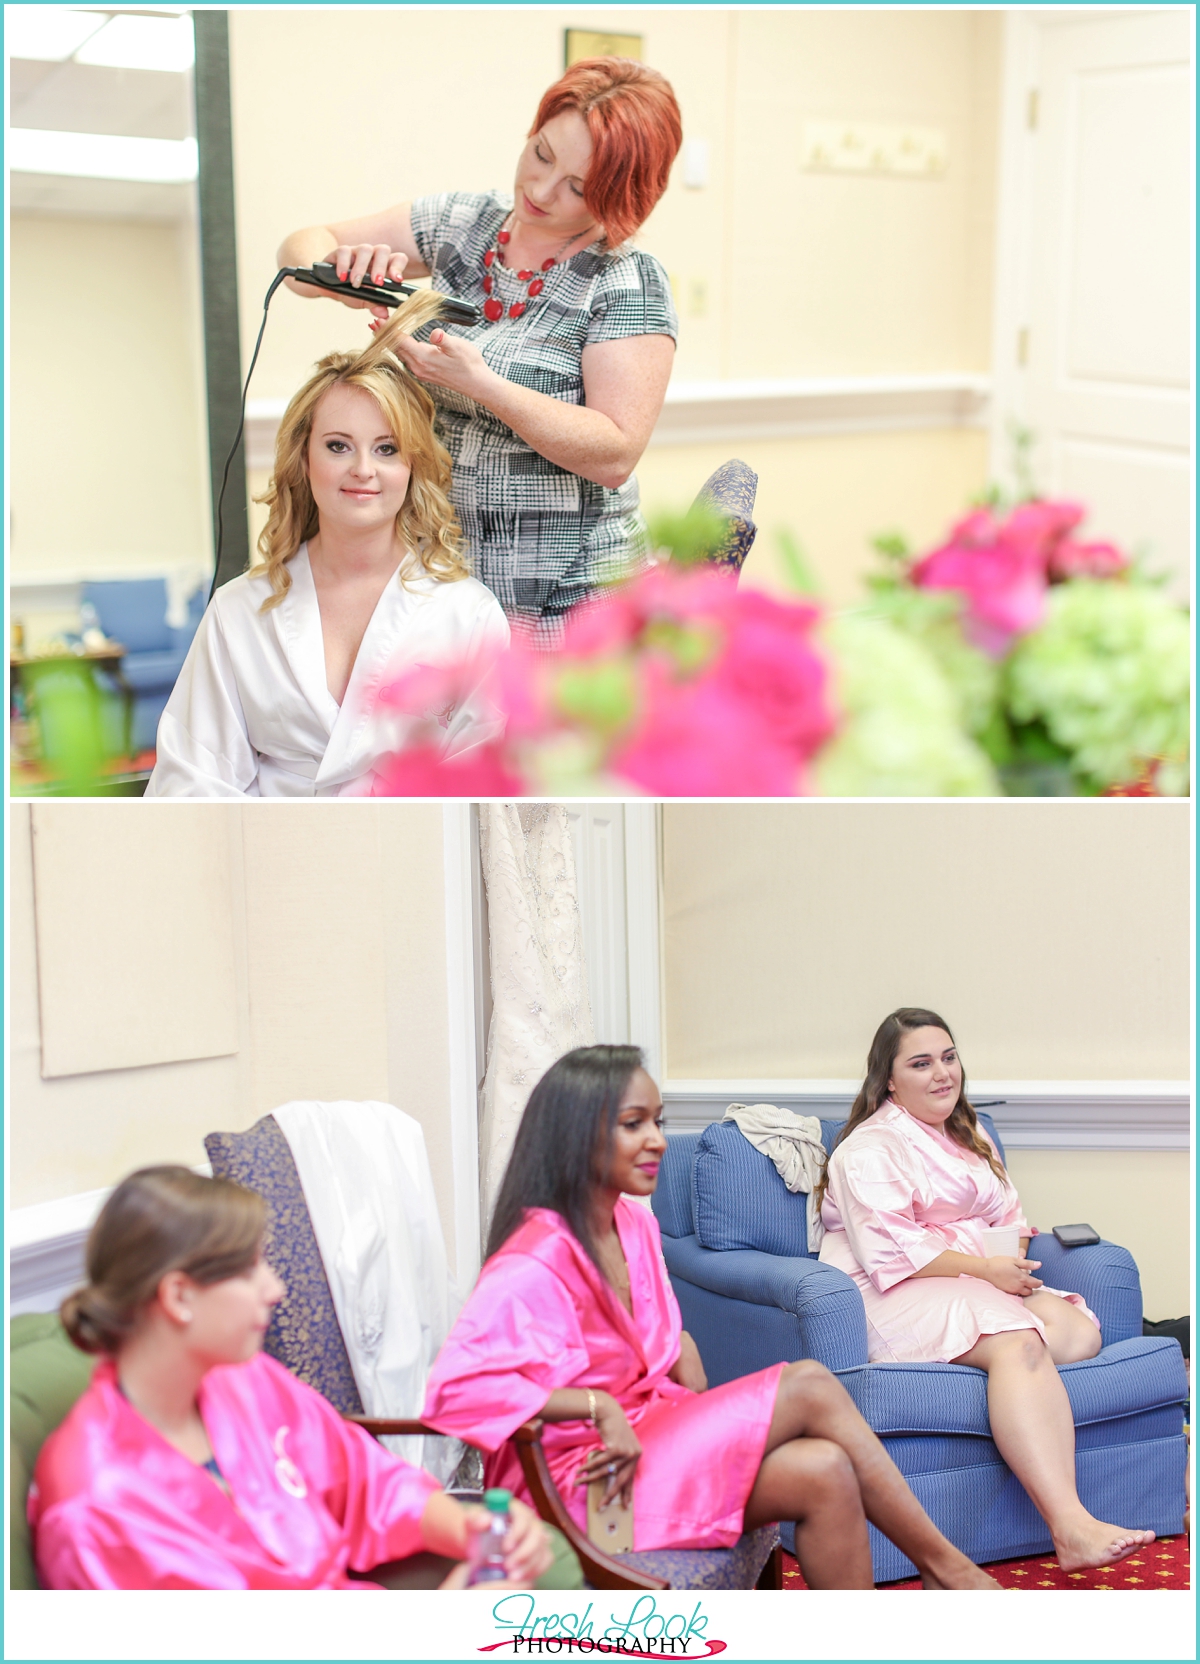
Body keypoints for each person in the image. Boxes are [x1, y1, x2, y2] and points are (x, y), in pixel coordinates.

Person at [422, 1045, 1001, 1590]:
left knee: (823, 1469)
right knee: (810, 1383)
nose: (656, 1140)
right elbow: (454, 1393)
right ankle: (947, 1567)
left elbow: (653, 1342)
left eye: (658, 1120)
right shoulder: (534, 1259)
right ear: (576, 1137)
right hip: (584, 1484)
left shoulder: (633, 1225)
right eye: (633, 1124)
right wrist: (595, 1406)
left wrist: (675, 1339)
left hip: (652, 1435)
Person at [277, 58, 681, 643]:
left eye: (578, 186)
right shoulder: (465, 223)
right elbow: (301, 252)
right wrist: (340, 269)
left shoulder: (627, 280)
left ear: (622, 195)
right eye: (541, 154)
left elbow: (614, 453)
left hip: (572, 596)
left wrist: (481, 383)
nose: (540, 191)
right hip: (444, 572)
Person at [30, 1166, 555, 1590]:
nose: (275, 1288)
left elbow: (364, 1482)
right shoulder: (93, 1509)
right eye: (249, 1269)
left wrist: (472, 1530)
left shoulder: (247, 1381)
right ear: (178, 1297)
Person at [816, 1007, 1158, 1574]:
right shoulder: (869, 1149)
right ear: (889, 1079)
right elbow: (891, 1249)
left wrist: (1011, 1263)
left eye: (949, 1058)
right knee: (1022, 1341)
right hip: (894, 1288)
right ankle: (1071, 1524)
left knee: (1080, 1330)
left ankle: (1003, 1374)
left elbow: (1010, 1218)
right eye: (922, 1063)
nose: (942, 1073)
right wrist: (984, 1272)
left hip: (972, 1277)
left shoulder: (967, 1138)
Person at [146, 294, 509, 796]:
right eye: (338, 446)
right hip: (268, 858)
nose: (363, 469)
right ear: (305, 459)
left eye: (387, 449)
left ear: (412, 465)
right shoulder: (238, 612)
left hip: (413, 856)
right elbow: (191, 780)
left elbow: (484, 786)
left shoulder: (468, 613)